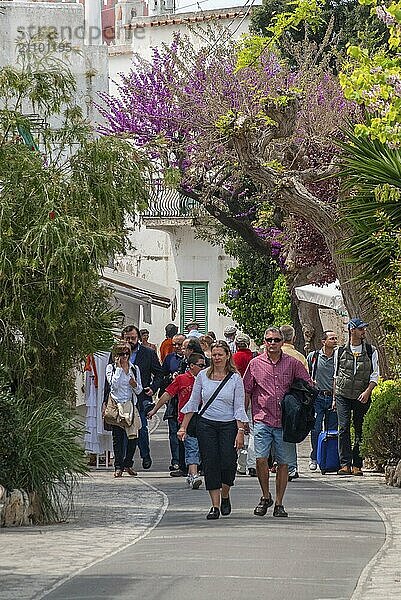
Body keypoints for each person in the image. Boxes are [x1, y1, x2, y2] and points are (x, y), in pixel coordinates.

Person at [243, 326, 312, 518]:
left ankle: (279, 503)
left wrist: (299, 406)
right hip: (262, 418)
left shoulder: (293, 363)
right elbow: (247, 389)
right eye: (269, 340)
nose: (272, 343)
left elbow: (307, 385)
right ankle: (265, 495)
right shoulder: (255, 364)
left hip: (285, 421)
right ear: (264, 342)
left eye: (276, 340)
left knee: (284, 463)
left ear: (283, 342)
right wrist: (242, 418)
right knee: (260, 458)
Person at [178, 340, 248, 520]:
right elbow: (193, 402)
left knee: (228, 463)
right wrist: (183, 426)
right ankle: (214, 505)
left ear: (227, 356)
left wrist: (240, 430)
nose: (216, 358)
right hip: (206, 424)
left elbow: (239, 406)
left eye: (220, 354)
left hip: (228, 424)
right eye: (214, 354)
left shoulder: (235, 378)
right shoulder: (202, 376)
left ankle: (225, 495)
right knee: (210, 463)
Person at [148, 353, 207, 487]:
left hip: (205, 418)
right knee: (191, 446)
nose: (203, 368)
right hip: (186, 419)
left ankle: (200, 472)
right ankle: (193, 475)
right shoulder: (182, 379)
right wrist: (154, 410)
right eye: (200, 365)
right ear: (191, 366)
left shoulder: (207, 379)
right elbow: (167, 394)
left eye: (204, 365)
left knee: (203, 447)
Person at [334, 318, 379, 476]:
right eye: (360, 329)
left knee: (359, 428)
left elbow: (375, 375)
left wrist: (368, 392)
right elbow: (336, 375)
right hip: (343, 394)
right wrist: (334, 398)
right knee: (343, 427)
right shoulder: (339, 351)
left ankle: (357, 464)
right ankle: (344, 463)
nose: (363, 331)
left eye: (364, 329)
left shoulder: (370, 350)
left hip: (362, 394)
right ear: (352, 330)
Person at [122, 325, 163, 470]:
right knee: (124, 428)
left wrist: (153, 388)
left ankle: (145, 455)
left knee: (142, 428)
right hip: (122, 398)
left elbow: (159, 373)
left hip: (141, 396)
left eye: (133, 338)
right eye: (128, 338)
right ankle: (126, 461)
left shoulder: (148, 353)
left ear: (138, 338)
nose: (131, 341)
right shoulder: (117, 354)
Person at [105, 343, 143, 477]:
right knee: (118, 438)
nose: (125, 356)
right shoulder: (111, 368)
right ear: (116, 355)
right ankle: (118, 466)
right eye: (122, 354)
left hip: (130, 406)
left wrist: (134, 385)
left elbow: (139, 390)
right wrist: (120, 369)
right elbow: (113, 385)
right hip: (117, 406)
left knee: (133, 438)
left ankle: (128, 463)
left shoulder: (134, 368)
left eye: (127, 353)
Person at [280, 325, 308, 481]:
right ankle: (291, 466)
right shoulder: (299, 357)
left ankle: (281, 464)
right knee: (288, 432)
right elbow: (306, 381)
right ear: (294, 338)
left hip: (273, 400)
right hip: (294, 399)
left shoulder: (269, 355)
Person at [307, 330, 338, 471]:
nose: (335, 341)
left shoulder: (338, 357)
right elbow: (307, 374)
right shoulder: (314, 357)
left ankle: (327, 458)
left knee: (331, 430)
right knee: (316, 429)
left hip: (333, 397)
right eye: (332, 338)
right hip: (318, 397)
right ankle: (314, 457)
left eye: (336, 338)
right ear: (323, 341)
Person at [159, 333, 187, 473]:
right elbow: (161, 376)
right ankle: (176, 461)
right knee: (173, 433)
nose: (176, 347)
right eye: (174, 344)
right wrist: (171, 377)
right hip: (173, 401)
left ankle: (188, 462)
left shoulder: (191, 360)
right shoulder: (170, 359)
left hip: (187, 403)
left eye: (179, 344)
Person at [232, 333, 256, 477]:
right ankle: (252, 464)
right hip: (254, 397)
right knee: (253, 431)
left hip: (238, 397)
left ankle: (241, 465)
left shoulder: (233, 359)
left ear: (236, 344)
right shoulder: (255, 357)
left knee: (240, 430)